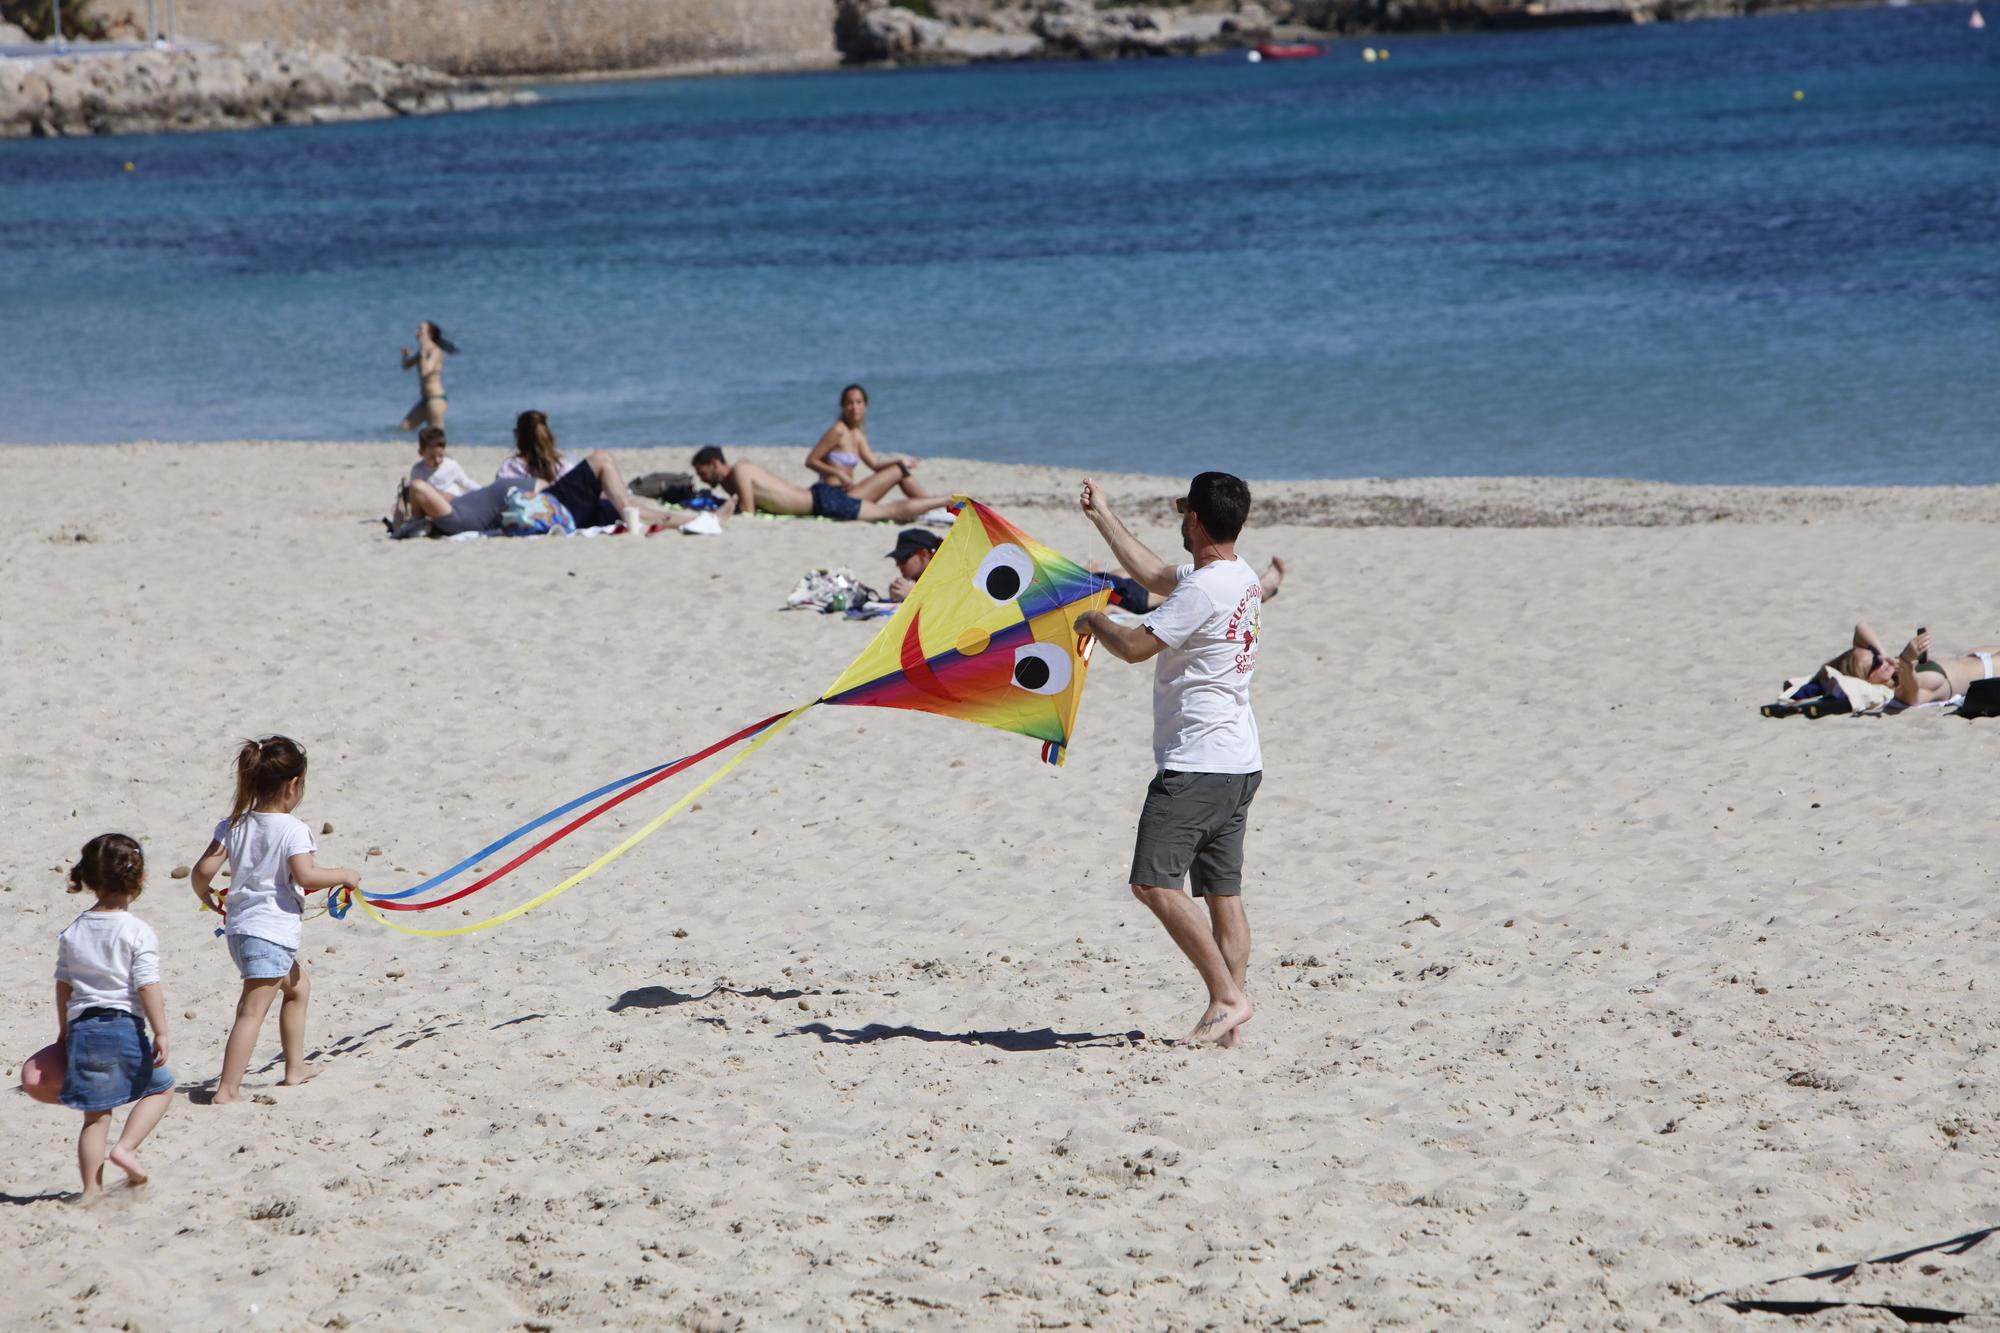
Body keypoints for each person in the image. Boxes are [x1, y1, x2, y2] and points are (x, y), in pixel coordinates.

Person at [1073, 473, 1264, 1048]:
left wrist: (1093, 621)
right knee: (1222, 896)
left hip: (1199, 763)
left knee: (1153, 883)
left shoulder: (1204, 591)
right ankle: (1230, 1021)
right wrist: (1102, 515)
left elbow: (1134, 648)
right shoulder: (1238, 575)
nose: (1180, 521)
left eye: (1185, 514)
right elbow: (1154, 574)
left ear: (1198, 522)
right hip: (1239, 760)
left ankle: (1227, 998)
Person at [190, 737, 360, 1104]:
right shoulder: (292, 829)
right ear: (293, 785)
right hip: (269, 932)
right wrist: (345, 875)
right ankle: (227, 1090)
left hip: (241, 930)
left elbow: (202, 870)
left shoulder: (233, 824)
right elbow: (306, 876)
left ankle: (294, 1068)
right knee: (251, 1011)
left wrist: (204, 894)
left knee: (298, 987)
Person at [55, 833, 175, 1199]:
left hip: (83, 1028)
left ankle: (91, 1189)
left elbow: (63, 984)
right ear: (138, 880)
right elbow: (147, 985)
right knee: (162, 1087)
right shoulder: (136, 931)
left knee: (95, 1116)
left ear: (89, 880)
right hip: (122, 1026)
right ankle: (126, 1147)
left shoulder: (73, 931)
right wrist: (161, 1031)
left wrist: (64, 1030)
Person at [500, 411, 731, 532]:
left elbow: (504, 501)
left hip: (567, 514)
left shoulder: (511, 468)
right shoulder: (560, 464)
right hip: (555, 511)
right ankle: (699, 520)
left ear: (517, 435)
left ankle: (701, 521)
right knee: (603, 462)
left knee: (630, 510)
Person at [693, 446, 942, 524]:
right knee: (895, 477)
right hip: (820, 497)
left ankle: (945, 500)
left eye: (702, 472)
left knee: (890, 512)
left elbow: (747, 509)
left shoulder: (740, 471)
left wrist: (728, 505)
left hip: (822, 503)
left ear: (714, 463)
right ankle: (939, 508)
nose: (702, 478)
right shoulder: (736, 475)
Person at [806, 384, 932, 505]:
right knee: (899, 471)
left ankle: (931, 505)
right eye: (850, 403)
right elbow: (811, 461)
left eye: (858, 402)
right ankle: (932, 505)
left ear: (865, 406)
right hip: (834, 495)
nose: (854, 407)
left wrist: (899, 460)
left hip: (850, 492)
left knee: (900, 470)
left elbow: (875, 464)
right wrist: (838, 473)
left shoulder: (857, 434)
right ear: (843, 406)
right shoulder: (838, 430)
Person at [392, 425, 474, 524]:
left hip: (452, 506)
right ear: (421, 453)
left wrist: (483, 491)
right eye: (432, 457)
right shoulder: (418, 470)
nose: (437, 460)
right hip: (431, 508)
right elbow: (416, 496)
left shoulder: (451, 466)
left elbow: (466, 483)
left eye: (440, 455)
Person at [398, 320, 457, 432]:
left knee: (436, 434)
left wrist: (423, 356)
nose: (417, 332)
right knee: (404, 427)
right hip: (425, 400)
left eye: (420, 329)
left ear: (429, 334)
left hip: (436, 399)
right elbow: (406, 367)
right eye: (417, 329)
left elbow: (426, 371)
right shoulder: (422, 351)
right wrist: (405, 357)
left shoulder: (435, 351)